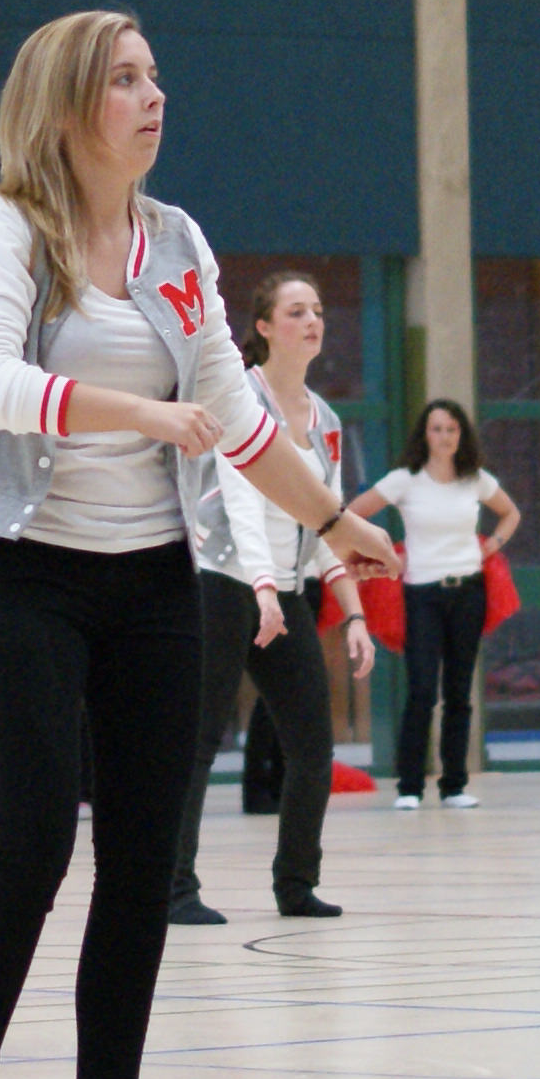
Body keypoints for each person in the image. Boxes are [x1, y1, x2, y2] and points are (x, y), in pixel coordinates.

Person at [0, 11, 396, 1079]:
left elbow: (235, 417)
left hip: (156, 584)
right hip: (30, 574)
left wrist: (334, 523)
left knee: (140, 857)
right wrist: (136, 412)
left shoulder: (178, 242)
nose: (154, 96)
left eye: (154, 76)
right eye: (125, 79)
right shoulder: (9, 232)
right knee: (34, 843)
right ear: (67, 106)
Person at [172, 271, 372, 925]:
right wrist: (260, 587)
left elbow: (327, 522)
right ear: (263, 327)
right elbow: (242, 506)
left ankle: (296, 884)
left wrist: (354, 613)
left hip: (286, 591)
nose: (312, 321)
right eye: (296, 311)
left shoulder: (327, 421)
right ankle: (174, 888)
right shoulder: (241, 400)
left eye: (318, 310)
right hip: (223, 583)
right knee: (199, 739)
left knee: (313, 746)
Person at [349, 401, 518, 808]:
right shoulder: (404, 480)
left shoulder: (475, 479)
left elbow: (510, 512)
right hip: (421, 593)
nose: (444, 437)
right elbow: (354, 512)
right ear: (424, 435)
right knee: (422, 690)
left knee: (459, 692)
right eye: (437, 428)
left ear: (462, 435)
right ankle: (409, 787)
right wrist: (382, 553)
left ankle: (454, 785)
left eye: (452, 429)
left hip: (468, 591)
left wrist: (492, 544)